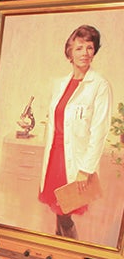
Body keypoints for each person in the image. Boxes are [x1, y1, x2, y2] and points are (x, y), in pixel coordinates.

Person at [38, 25, 111, 239]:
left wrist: (86, 169)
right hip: (54, 156)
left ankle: (68, 254)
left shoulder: (99, 85)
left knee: (65, 212)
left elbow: (100, 130)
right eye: (79, 48)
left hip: (76, 160)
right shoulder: (61, 84)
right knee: (59, 211)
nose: (85, 53)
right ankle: (59, 253)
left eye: (90, 47)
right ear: (70, 52)